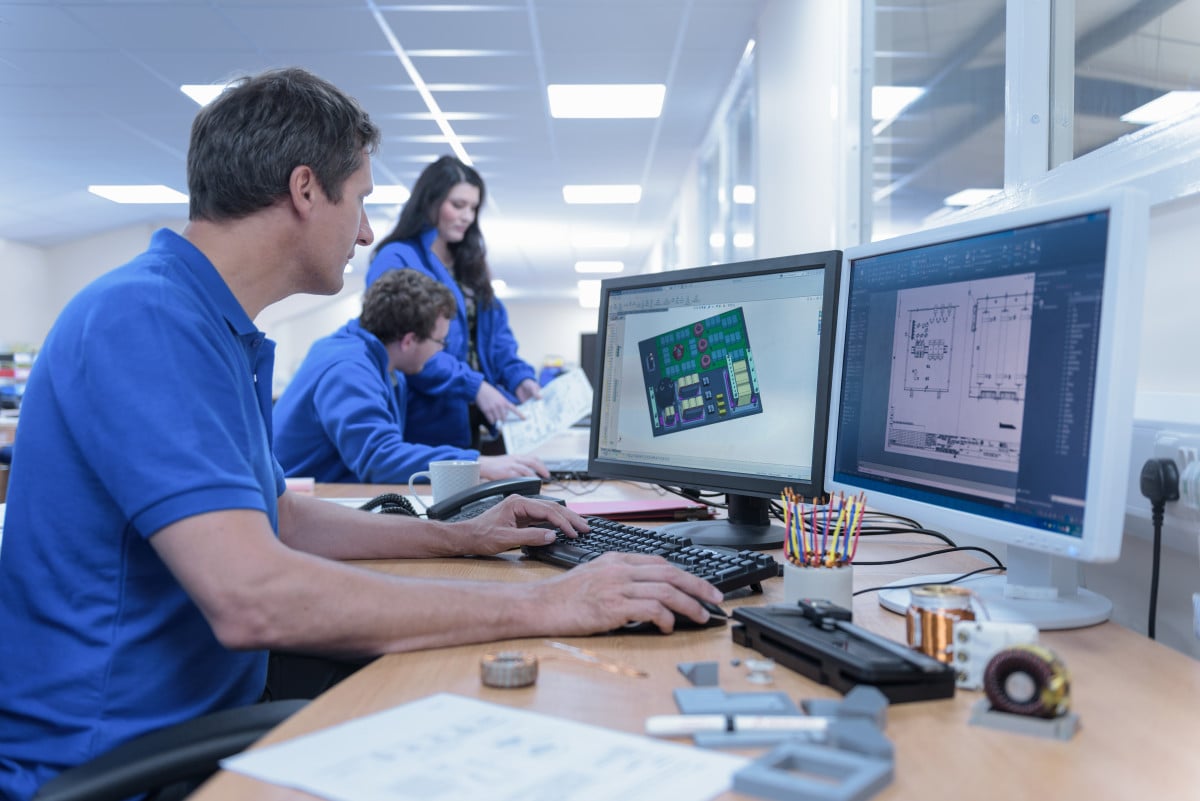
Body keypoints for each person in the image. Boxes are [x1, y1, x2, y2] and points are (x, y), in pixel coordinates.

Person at [0, 68, 722, 801]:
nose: (371, 231)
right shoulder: (146, 319)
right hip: (118, 759)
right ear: (307, 189)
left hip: (198, 711)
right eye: (363, 200)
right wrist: (546, 604)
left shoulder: (208, 323)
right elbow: (254, 595)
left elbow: (276, 517)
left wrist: (463, 536)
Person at [273, 268, 547, 482]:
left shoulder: (379, 361)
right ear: (408, 340)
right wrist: (479, 464)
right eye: (440, 343)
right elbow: (380, 459)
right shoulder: (349, 369)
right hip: (306, 501)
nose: (441, 351)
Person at [366, 155, 540, 451]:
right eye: (458, 205)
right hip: (424, 420)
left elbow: (496, 338)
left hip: (472, 418)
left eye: (473, 208)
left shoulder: (470, 264)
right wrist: (473, 386)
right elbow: (408, 345)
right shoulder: (397, 258)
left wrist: (519, 377)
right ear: (430, 202)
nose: (467, 216)